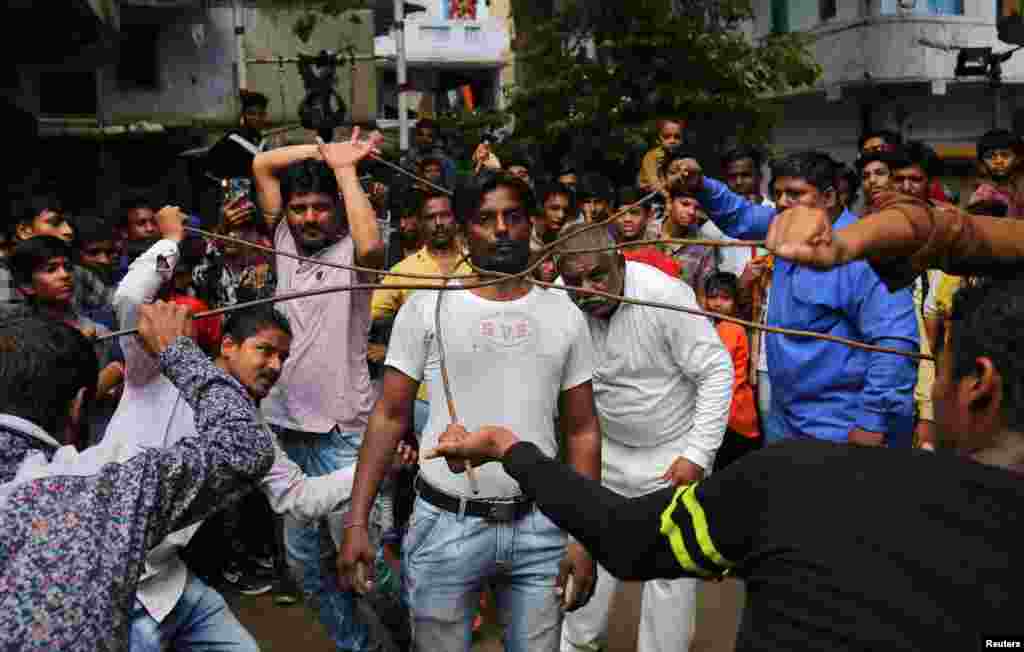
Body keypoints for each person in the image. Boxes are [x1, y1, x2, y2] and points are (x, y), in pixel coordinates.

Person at [425, 273, 1024, 652]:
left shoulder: (798, 484)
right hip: (623, 460)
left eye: (936, 367)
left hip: (670, 461)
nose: (931, 386)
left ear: (978, 386)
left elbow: (627, 537)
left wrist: (511, 449)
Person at [339, 174, 601, 652]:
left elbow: (582, 429)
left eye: (513, 217)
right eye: (485, 219)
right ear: (464, 231)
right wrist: (357, 522)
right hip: (445, 523)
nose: (501, 229)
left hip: (542, 525)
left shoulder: (565, 313)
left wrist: (584, 537)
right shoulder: (426, 308)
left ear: (533, 226)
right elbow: (389, 416)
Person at [0, 301, 277, 650]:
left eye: (283, 355)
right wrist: (179, 352)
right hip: (135, 601)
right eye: (265, 350)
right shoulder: (97, 490)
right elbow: (244, 449)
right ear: (79, 405)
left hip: (172, 582)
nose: (275, 366)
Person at [555, 223, 732, 652]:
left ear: (620, 261)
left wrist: (697, 454)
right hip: (605, 450)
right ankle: (576, 646)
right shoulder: (560, 302)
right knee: (588, 557)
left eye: (597, 275)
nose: (588, 289)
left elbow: (716, 371)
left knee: (669, 577)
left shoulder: (664, 296)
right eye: (575, 281)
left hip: (673, 454)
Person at [679, 151, 919, 446]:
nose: (781, 202)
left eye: (795, 194)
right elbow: (739, 216)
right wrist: (701, 184)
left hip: (842, 427)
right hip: (785, 418)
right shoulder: (784, 226)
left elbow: (895, 342)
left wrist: (872, 421)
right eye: (777, 193)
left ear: (829, 197)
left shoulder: (865, 253)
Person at [253, 128, 387, 652]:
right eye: (299, 208)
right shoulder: (283, 240)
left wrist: (346, 168)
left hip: (342, 431)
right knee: (307, 566)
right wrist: (321, 154)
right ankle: (361, 647)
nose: (309, 218)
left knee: (361, 558)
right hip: (285, 428)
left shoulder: (356, 252)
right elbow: (264, 165)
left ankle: (416, 634)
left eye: (320, 208)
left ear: (338, 208)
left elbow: (374, 245)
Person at [371, 190, 471, 436]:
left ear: (456, 219)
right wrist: (386, 352)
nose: (438, 223)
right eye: (430, 217)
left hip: (475, 389)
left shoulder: (477, 264)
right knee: (430, 466)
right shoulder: (404, 270)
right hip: (424, 397)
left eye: (445, 215)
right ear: (420, 222)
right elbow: (364, 317)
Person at [9, 236, 122, 445]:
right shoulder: (21, 339)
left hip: (101, 439)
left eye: (67, 267)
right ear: (27, 286)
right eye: (51, 269)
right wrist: (110, 375)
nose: (65, 275)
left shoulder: (98, 330)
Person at [702, 272, 761, 470]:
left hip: (732, 412)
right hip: (731, 411)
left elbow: (716, 367)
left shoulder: (730, 328)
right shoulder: (716, 325)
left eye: (725, 298)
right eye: (713, 297)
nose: (718, 303)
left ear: (735, 301)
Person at [656, 186, 715, 294]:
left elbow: (703, 294)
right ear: (669, 203)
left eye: (697, 208)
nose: (691, 212)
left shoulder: (704, 246)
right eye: (685, 204)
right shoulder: (647, 231)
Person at [613, 186, 681, 278]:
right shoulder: (606, 255)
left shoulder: (661, 260)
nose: (627, 219)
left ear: (649, 216)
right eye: (621, 214)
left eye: (634, 213)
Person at [637, 117, 685, 192]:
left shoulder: (679, 157)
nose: (672, 141)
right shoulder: (651, 157)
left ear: (682, 139)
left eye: (677, 137)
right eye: (666, 137)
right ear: (658, 139)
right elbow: (654, 184)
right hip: (649, 196)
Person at [531, 182, 575, 253]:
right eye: (554, 208)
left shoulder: (569, 234)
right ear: (540, 207)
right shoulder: (524, 238)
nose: (561, 215)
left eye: (566, 210)